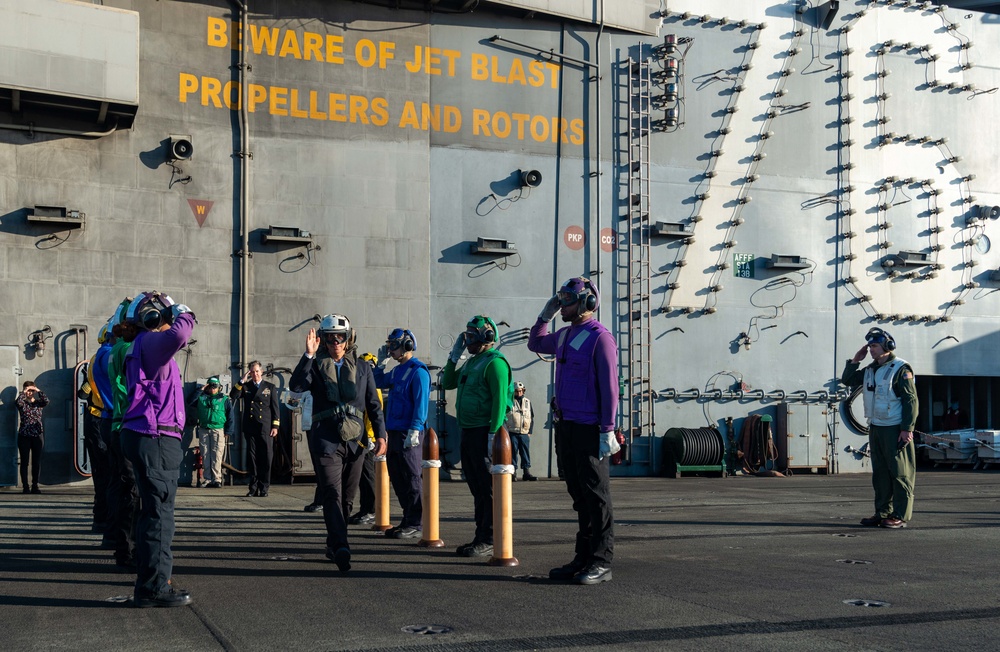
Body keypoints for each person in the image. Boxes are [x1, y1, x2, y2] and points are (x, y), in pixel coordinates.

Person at [528, 277, 620, 585]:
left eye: (567, 299)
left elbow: (610, 388)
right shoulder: (565, 334)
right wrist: (546, 314)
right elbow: (535, 342)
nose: (562, 304)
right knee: (579, 496)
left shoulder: (600, 338)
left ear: (587, 303)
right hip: (566, 426)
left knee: (596, 497)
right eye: (561, 298)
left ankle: (602, 561)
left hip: (589, 429)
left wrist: (608, 429)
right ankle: (583, 558)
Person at [290, 314, 387, 572]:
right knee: (332, 494)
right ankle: (342, 545)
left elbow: (373, 405)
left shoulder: (364, 367)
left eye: (340, 337)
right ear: (323, 339)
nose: (335, 343)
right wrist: (308, 355)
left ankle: (334, 543)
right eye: (330, 338)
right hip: (326, 441)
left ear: (348, 338)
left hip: (355, 442)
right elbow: (296, 386)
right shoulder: (315, 366)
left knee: (346, 498)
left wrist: (381, 435)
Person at [121, 291, 196, 607]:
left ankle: (149, 583)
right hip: (156, 438)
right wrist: (185, 311)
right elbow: (181, 332)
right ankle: (154, 588)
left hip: (146, 437)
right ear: (159, 318)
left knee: (152, 512)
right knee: (160, 514)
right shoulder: (152, 343)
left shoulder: (140, 347)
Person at [441, 315, 513, 558]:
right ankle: (481, 535)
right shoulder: (473, 363)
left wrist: (493, 437)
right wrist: (454, 355)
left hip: (485, 433)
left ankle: (490, 537)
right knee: (477, 489)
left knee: (487, 489)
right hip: (469, 432)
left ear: (487, 337)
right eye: (467, 335)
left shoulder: (495, 364)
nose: (467, 340)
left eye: (471, 336)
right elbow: (449, 382)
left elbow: (500, 402)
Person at [841, 327, 918, 529]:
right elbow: (847, 380)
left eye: (874, 346)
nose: (871, 350)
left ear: (887, 346)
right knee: (881, 475)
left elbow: (911, 401)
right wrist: (855, 360)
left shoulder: (901, 369)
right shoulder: (869, 370)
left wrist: (907, 428)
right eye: (870, 346)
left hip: (895, 428)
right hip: (875, 427)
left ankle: (900, 515)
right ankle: (882, 512)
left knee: (901, 474)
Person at [373, 328, 431, 539]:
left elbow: (421, 404)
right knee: (397, 477)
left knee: (412, 477)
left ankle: (416, 522)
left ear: (407, 345)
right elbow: (377, 382)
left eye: (394, 346)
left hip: (409, 432)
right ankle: (408, 518)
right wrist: (380, 365)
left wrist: (415, 429)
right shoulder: (398, 371)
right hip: (394, 431)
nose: (391, 350)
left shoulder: (418, 371)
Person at [105, 298, 140, 568]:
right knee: (132, 491)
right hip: (128, 424)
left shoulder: (115, 349)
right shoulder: (129, 349)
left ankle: (117, 542)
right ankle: (126, 550)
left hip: (116, 423)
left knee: (119, 488)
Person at [231, 361, 280, 497]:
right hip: (250, 427)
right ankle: (253, 487)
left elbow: (275, 408)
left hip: (265, 427)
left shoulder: (269, 387)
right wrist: (241, 381)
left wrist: (275, 426)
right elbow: (233, 395)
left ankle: (264, 487)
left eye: (257, 371)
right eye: (252, 372)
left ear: (262, 371)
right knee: (252, 459)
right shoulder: (246, 387)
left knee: (266, 457)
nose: (255, 374)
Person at [189, 377, 233, 488]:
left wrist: (228, 431)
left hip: (218, 429)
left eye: (215, 387)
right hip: (204, 429)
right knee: (205, 454)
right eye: (211, 386)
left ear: (219, 388)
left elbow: (231, 416)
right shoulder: (201, 398)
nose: (213, 389)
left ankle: (217, 479)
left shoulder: (224, 399)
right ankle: (207, 478)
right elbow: (190, 401)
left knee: (217, 454)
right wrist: (201, 389)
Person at [15, 380, 49, 494]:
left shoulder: (39, 403)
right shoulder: (22, 403)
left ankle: (35, 485)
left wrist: (38, 390)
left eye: (31, 390)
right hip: (24, 435)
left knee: (36, 461)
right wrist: (23, 392)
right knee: (24, 462)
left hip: (37, 435)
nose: (29, 393)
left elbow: (46, 401)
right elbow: (18, 402)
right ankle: (25, 486)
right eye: (27, 390)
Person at [506, 381, 537, 481]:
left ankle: (526, 472)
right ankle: (513, 472)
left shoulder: (527, 402)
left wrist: (529, 431)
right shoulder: (509, 402)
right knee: (513, 453)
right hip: (512, 432)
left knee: (525, 452)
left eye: (520, 391)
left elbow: (531, 417)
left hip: (524, 432)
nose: (519, 393)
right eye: (516, 391)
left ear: (523, 391)